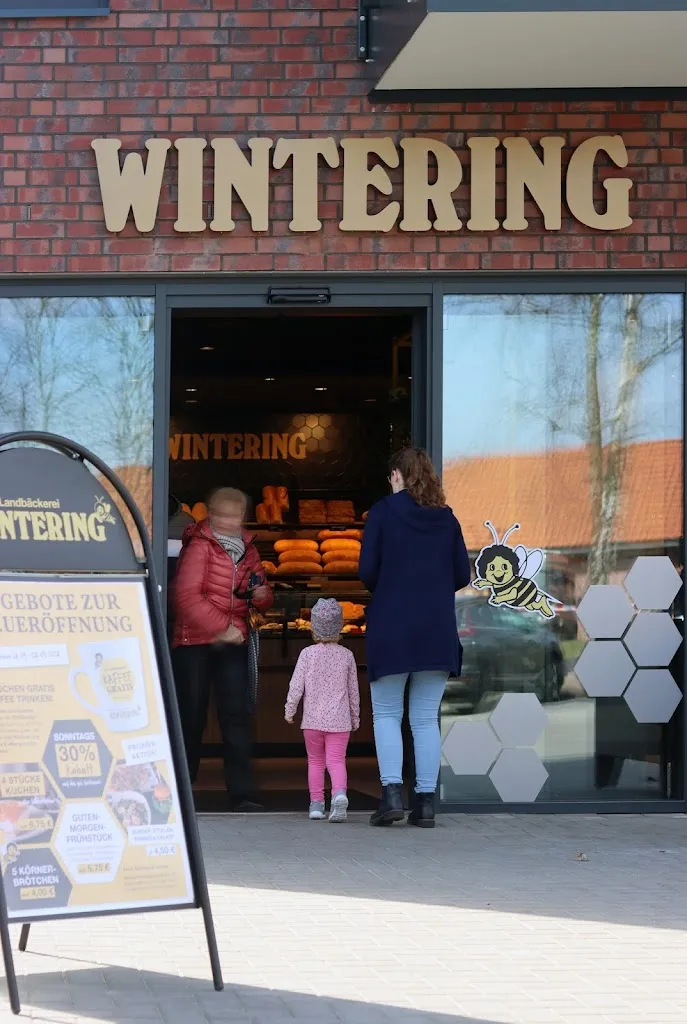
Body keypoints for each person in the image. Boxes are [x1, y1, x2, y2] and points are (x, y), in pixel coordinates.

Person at [359, 447, 470, 829]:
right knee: (424, 719)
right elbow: (462, 574)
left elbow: (367, 570)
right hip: (436, 629)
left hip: (392, 627)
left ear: (396, 475)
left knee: (388, 714)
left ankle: (391, 795)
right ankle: (425, 803)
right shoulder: (447, 518)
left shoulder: (382, 512)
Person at [172, 486, 273, 812]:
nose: (230, 522)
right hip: (194, 644)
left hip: (233, 642)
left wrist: (262, 596)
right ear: (212, 515)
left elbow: (261, 591)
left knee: (236, 717)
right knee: (191, 717)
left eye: (235, 516)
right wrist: (223, 627)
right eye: (223, 516)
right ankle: (181, 790)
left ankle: (242, 793)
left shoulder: (248, 549)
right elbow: (186, 597)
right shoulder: (199, 546)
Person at [284, 598, 360, 823]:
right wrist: (355, 717)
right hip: (340, 721)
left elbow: (296, 686)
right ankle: (339, 794)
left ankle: (316, 804)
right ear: (339, 626)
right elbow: (353, 691)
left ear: (313, 627)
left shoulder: (307, 654)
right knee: (336, 761)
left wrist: (290, 710)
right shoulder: (347, 655)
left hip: (312, 721)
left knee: (315, 762)